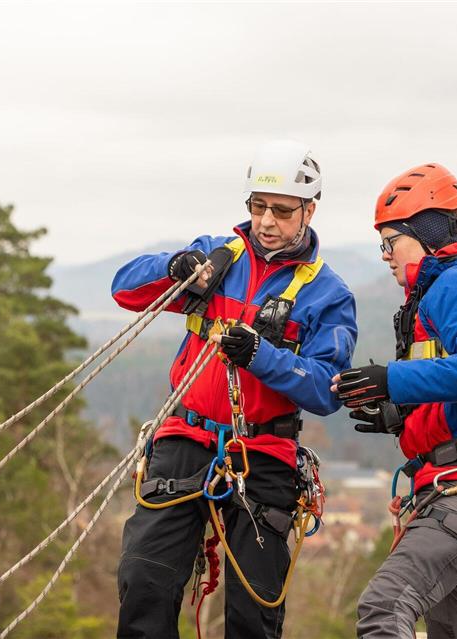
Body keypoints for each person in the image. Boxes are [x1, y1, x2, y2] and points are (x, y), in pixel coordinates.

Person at [112, 140, 356, 639]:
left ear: (309, 210)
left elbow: (326, 390)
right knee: (144, 584)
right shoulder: (218, 257)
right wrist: (174, 268)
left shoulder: (327, 295)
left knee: (253, 611)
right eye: (258, 207)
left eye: (283, 211)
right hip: (186, 438)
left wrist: (261, 357)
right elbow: (123, 290)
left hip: (262, 452)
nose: (267, 221)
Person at [331, 163, 457, 638]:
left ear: (425, 235)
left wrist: (394, 380)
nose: (383, 254)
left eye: (390, 241)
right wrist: (400, 414)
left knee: (384, 607)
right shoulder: (448, 287)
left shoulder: (454, 284)